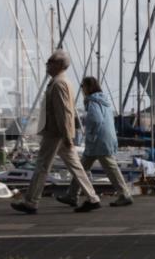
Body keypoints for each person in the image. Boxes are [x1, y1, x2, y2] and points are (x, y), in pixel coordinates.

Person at [11, 50, 102, 214]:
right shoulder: (59, 82)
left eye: (50, 61)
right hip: (59, 133)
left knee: (42, 166)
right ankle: (93, 197)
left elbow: (65, 112)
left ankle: (31, 202)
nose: (47, 64)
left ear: (60, 64)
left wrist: (67, 135)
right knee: (75, 166)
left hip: (55, 133)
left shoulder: (59, 84)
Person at [56, 76, 133, 208]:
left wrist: (90, 135)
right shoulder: (103, 100)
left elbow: (96, 120)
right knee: (82, 167)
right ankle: (72, 194)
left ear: (88, 87)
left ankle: (124, 194)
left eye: (82, 86)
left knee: (109, 168)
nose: (81, 89)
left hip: (98, 140)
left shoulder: (93, 102)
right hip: (105, 138)